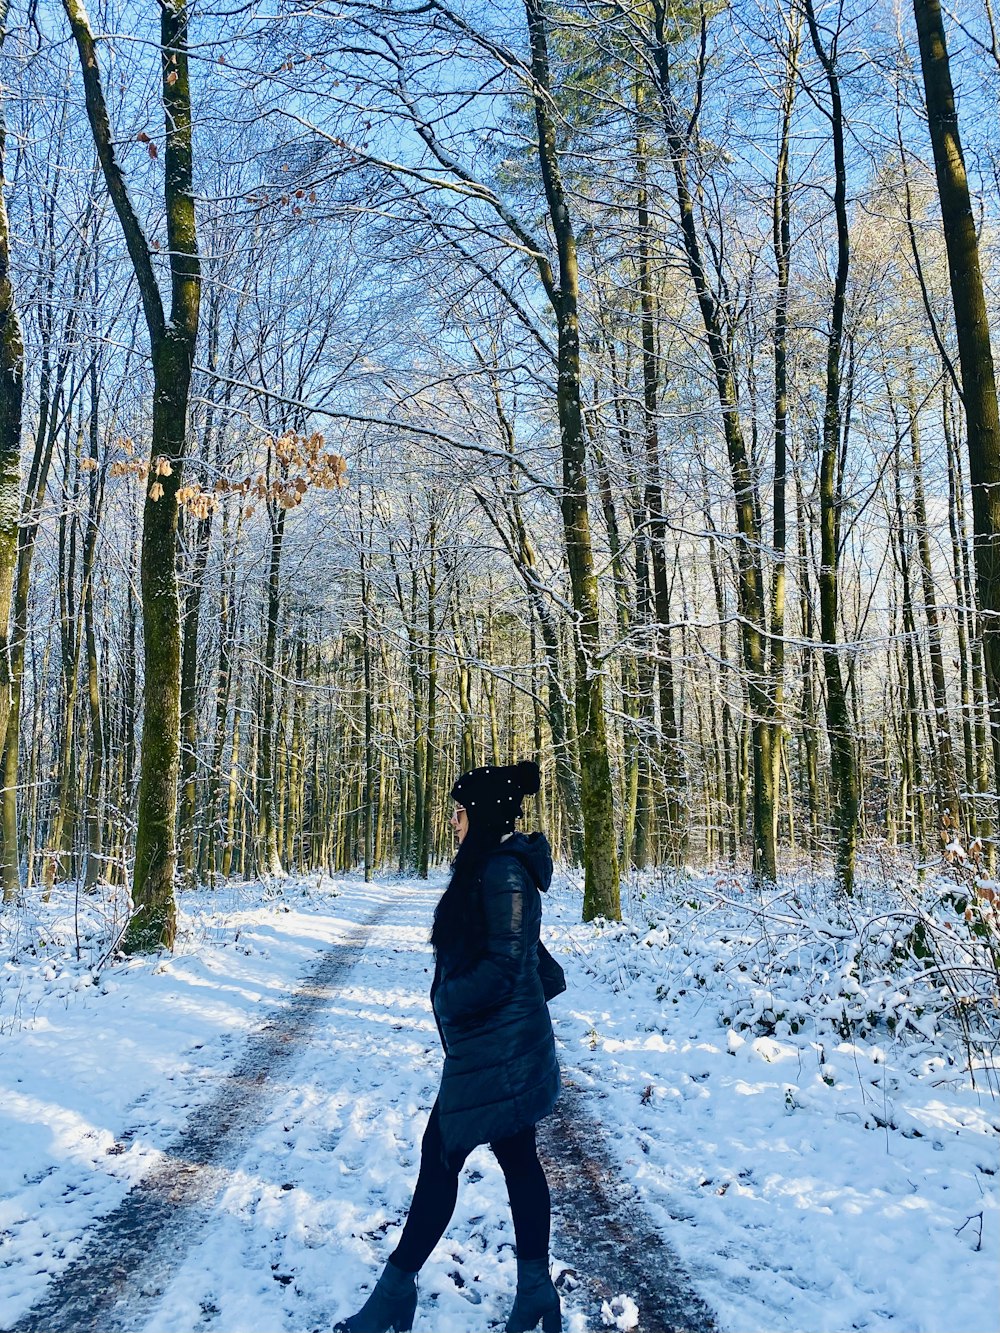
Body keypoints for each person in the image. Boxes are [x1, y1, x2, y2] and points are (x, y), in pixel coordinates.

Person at [335, 760, 563, 1333]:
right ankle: (534, 1292)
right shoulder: (490, 867)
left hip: (497, 1052)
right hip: (498, 1047)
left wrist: (447, 1000)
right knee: (513, 1162)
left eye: (459, 814)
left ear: (481, 815)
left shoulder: (502, 873)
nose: (454, 823)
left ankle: (393, 1296)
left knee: (441, 1158)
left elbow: (506, 964)